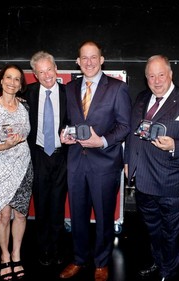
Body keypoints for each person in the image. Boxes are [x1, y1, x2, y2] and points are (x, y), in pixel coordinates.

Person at [124, 55, 179, 281]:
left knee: (172, 233)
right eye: (151, 76)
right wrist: (128, 162)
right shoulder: (142, 99)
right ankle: (159, 261)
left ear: (170, 74)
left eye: (161, 74)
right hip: (143, 180)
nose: (157, 80)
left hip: (173, 182)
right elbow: (133, 135)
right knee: (152, 229)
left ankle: (169, 272)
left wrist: (175, 145)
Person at [59, 40, 132, 281]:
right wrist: (64, 133)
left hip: (105, 163)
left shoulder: (117, 88)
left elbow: (125, 126)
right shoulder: (69, 88)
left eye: (94, 57)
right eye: (84, 58)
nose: (89, 62)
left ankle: (101, 263)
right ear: (78, 62)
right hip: (76, 162)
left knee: (103, 216)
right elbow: (67, 121)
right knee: (77, 215)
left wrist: (101, 141)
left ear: (102, 59)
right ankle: (79, 259)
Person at [0, 63, 33, 280]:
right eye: (8, 78)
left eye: (17, 79)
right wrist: (5, 146)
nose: (12, 82)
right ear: (1, 81)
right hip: (1, 166)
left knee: (20, 213)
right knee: (3, 215)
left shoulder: (25, 106)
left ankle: (16, 253)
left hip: (24, 165)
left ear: (21, 85)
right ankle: (4, 256)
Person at [22, 51, 68, 267]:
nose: (47, 75)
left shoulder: (69, 93)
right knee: (41, 205)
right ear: (35, 75)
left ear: (56, 68)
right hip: (39, 155)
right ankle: (44, 249)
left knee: (58, 205)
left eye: (49, 69)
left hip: (62, 157)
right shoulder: (27, 93)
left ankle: (57, 248)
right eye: (41, 72)